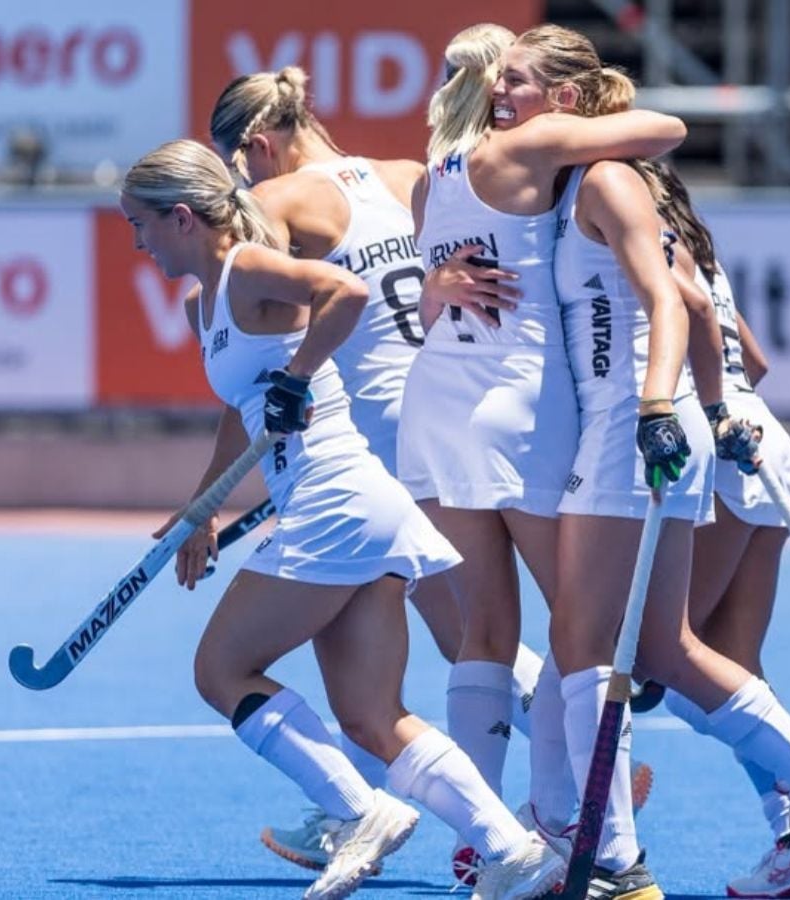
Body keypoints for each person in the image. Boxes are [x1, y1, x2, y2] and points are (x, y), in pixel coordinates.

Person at [121, 139, 564, 900]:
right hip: (346, 504)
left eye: (141, 225)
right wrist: (203, 507)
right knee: (369, 715)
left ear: (184, 218)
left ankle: (360, 811)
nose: (138, 243)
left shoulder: (249, 268)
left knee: (220, 670)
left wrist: (298, 377)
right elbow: (243, 407)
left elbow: (345, 293)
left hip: (335, 498)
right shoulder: (209, 302)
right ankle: (517, 852)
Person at [525, 26, 790, 900]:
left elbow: (672, 301)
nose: (502, 100)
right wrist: (716, 405)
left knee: (589, 645)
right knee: (663, 646)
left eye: (515, 83)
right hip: (662, 425)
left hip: (631, 426)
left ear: (567, 102)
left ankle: (615, 860)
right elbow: (703, 310)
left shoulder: (606, 179)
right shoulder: (605, 185)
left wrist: (663, 405)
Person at [204, 63, 549, 877]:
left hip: (374, 443)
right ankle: (360, 806)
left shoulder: (279, 204)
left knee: (461, 637)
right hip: (444, 408)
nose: (247, 184)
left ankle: (568, 785)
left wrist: (223, 488)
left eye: (242, 165)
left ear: (259, 144)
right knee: (454, 631)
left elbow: (261, 342)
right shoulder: (403, 176)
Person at [401, 21, 682, 885]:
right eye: (508, 77)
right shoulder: (535, 143)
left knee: (483, 633)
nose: (504, 96)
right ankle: (597, 838)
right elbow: (666, 131)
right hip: (518, 409)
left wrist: (436, 282)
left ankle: (489, 845)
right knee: (583, 629)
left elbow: (425, 293)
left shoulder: (432, 175)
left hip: (435, 404)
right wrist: (574, 116)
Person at [638, 160, 790, 900]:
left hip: (722, 446)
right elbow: (754, 360)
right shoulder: (695, 239)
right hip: (758, 438)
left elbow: (693, 312)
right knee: (731, 662)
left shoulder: (650, 243)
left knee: (662, 658)